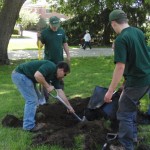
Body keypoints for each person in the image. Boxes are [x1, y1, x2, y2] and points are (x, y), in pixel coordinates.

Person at [104, 9, 150, 150]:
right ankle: (133, 135)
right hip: (147, 77)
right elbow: (138, 57)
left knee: (124, 112)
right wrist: (125, 83)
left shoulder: (121, 39)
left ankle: (126, 145)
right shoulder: (138, 32)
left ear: (113, 23)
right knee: (130, 106)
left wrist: (110, 91)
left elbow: (120, 67)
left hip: (138, 82)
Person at [11, 60, 75, 132]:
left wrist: (69, 106)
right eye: (65, 74)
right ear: (61, 70)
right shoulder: (50, 66)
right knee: (32, 100)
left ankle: (33, 117)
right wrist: (47, 86)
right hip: (20, 75)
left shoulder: (55, 78)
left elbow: (60, 92)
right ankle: (28, 126)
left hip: (27, 77)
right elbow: (37, 75)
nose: (64, 77)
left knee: (37, 98)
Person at [37, 16, 70, 99]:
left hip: (59, 60)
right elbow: (39, 46)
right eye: (53, 25)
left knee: (60, 78)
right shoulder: (45, 33)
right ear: (50, 24)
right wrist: (38, 38)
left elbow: (65, 43)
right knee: (46, 78)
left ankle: (61, 96)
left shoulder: (61, 31)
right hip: (49, 60)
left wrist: (68, 55)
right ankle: (45, 98)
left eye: (56, 25)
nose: (55, 27)